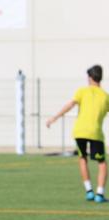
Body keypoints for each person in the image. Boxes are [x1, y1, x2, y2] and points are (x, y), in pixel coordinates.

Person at [46, 64, 109, 203]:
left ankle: (89, 191)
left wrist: (54, 118)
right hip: (95, 133)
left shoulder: (81, 91)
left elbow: (70, 105)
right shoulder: (105, 96)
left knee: (82, 158)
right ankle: (99, 194)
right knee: (102, 163)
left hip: (79, 131)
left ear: (90, 77)